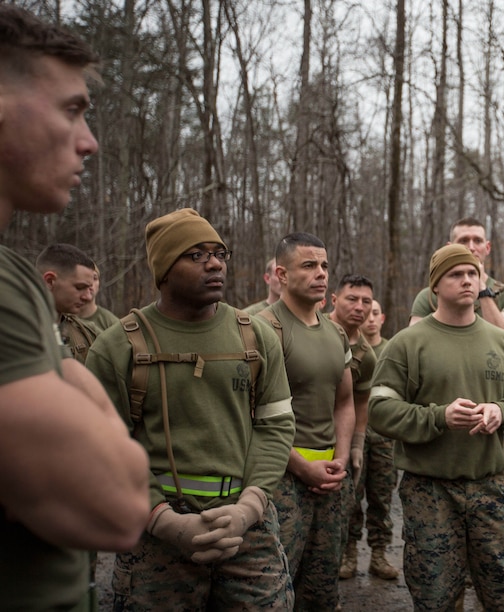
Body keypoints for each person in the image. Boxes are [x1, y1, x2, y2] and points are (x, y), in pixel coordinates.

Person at [0, 7, 149, 609]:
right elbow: (117, 506)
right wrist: (64, 378)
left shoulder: (14, 277)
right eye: (70, 109)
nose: (88, 141)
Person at [86, 208, 297, 608]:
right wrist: (165, 520)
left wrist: (248, 507)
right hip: (155, 542)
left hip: (248, 531)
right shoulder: (118, 347)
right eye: (196, 255)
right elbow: (103, 450)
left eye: (219, 253)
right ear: (164, 270)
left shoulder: (256, 336)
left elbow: (275, 427)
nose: (215, 262)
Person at [369, 244, 504, 611]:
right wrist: (438, 417)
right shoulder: (407, 344)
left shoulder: (503, 343)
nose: (467, 281)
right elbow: (380, 412)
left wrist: (501, 410)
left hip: (492, 487)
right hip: (429, 492)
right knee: (435, 599)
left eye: (472, 274)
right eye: (455, 274)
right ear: (435, 285)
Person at [260, 232, 355, 610]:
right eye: (309, 265)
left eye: (325, 266)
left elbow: (345, 401)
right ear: (281, 275)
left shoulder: (335, 332)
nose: (321, 274)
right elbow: (253, 417)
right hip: (281, 480)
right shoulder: (264, 329)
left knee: (321, 588)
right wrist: (302, 469)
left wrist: (341, 461)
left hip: (330, 478)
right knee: (274, 586)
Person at [327, 274, 378, 581]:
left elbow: (360, 403)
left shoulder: (366, 356)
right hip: (296, 442)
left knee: (335, 522)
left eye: (366, 302)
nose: (359, 307)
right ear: (334, 300)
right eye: (351, 299)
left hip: (339, 446)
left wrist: (356, 445)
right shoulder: (313, 330)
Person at [408, 217, 504, 338]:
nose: (471, 247)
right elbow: (413, 341)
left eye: (478, 241)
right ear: (450, 247)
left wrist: (482, 290)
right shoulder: (429, 296)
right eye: (463, 241)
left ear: (487, 247)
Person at [355, 299, 400, 580]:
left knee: (381, 497)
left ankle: (379, 554)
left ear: (382, 318)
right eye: (366, 314)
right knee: (351, 497)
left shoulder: (392, 349)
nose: (370, 319)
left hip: (384, 437)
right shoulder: (353, 348)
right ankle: (348, 552)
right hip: (356, 434)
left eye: (375, 314)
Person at [35, 243, 102, 363]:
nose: (87, 297)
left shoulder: (87, 334)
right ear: (50, 281)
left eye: (89, 288)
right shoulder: (14, 329)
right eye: (79, 287)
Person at [76, 262, 121, 331]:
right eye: (84, 277)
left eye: (94, 278)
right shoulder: (61, 319)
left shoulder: (112, 323)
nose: (90, 283)